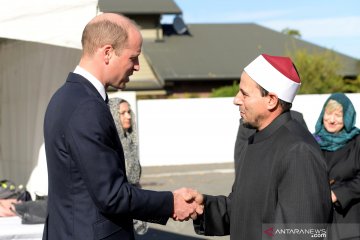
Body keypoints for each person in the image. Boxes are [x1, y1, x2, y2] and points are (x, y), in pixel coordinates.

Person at [43, 13, 202, 240]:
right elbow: (111, 195)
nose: (137, 67)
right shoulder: (86, 107)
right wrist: (171, 203)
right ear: (107, 52)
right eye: (133, 58)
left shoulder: (64, 97)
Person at [193, 54, 332, 239]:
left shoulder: (298, 151)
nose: (236, 99)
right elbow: (243, 210)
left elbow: (302, 233)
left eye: (244, 93)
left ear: (271, 100)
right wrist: (204, 207)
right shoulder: (255, 139)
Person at [313, 93, 360, 240]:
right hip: (318, 221)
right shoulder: (313, 141)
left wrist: (337, 194)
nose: (331, 120)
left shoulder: (356, 142)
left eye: (338, 115)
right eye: (328, 113)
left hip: (348, 222)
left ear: (347, 117)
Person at [108, 97, 148, 234]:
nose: (128, 116)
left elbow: (135, 181)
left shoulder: (129, 141)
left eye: (129, 112)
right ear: (113, 114)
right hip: (117, 209)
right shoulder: (111, 145)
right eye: (123, 113)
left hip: (132, 205)